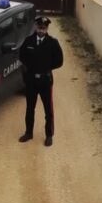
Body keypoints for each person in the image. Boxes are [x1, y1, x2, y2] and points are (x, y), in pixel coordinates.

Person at [18, 16, 63, 146]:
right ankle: (28, 133)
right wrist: (29, 69)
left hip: (45, 81)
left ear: (47, 28)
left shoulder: (53, 43)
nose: (41, 30)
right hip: (31, 81)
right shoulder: (28, 41)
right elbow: (22, 56)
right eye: (39, 27)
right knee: (30, 108)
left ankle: (49, 135)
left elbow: (59, 61)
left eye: (44, 28)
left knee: (48, 110)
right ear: (36, 27)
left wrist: (47, 67)